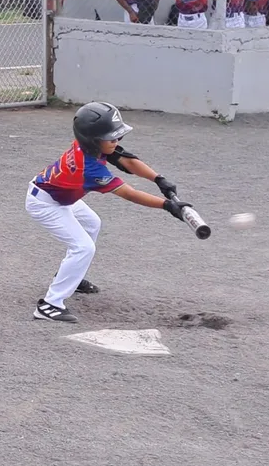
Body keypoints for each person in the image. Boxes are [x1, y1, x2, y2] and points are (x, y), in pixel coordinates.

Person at [24, 102, 191, 323]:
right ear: (93, 139)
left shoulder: (93, 147)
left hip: (60, 195)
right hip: (45, 202)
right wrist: (168, 206)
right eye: (111, 138)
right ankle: (50, 305)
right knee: (83, 247)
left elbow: (127, 161)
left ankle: (72, 277)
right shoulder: (89, 168)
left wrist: (158, 179)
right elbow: (129, 194)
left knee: (92, 223)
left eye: (118, 137)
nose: (116, 142)